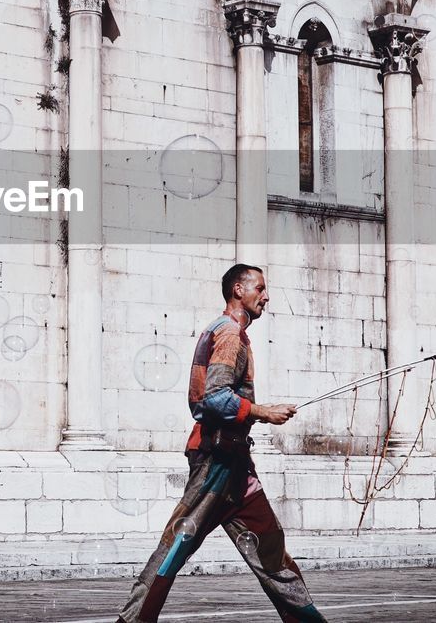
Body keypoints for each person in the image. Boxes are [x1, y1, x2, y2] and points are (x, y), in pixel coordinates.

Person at [116, 264, 326, 623]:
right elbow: (213, 399)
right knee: (174, 549)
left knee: (271, 551)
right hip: (216, 462)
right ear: (238, 291)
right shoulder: (228, 333)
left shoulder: (233, 333)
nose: (266, 296)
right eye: (259, 288)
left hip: (236, 466)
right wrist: (264, 411)